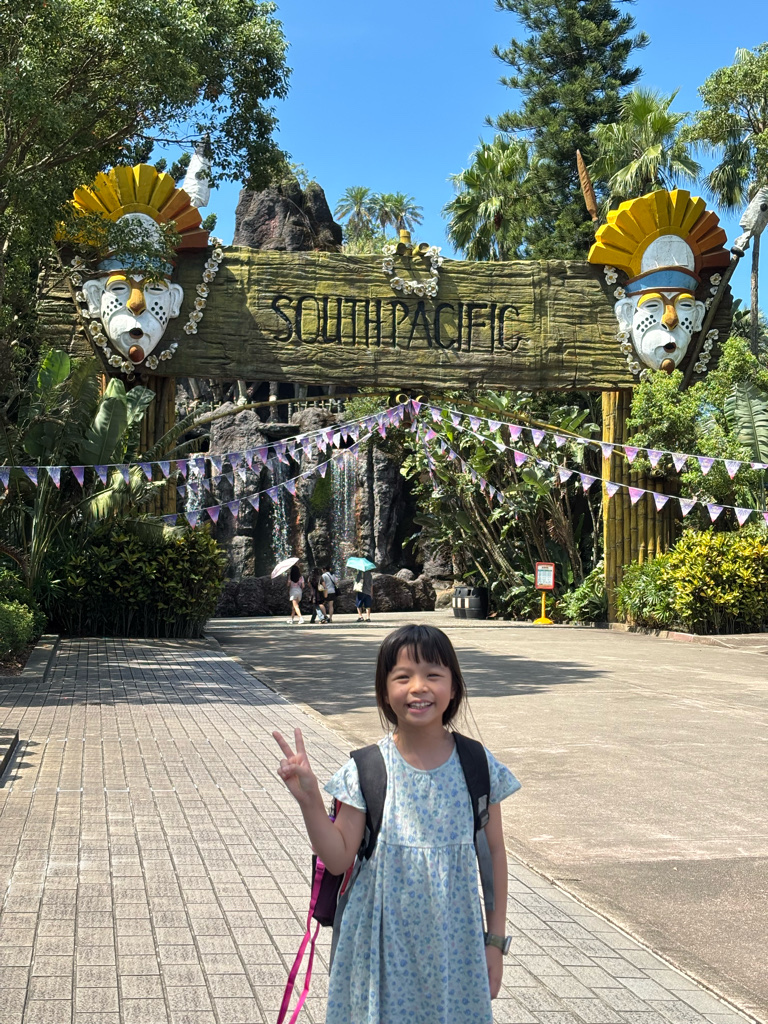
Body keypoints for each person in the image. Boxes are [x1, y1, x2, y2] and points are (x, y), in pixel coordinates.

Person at [272, 624, 520, 1023]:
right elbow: (337, 858)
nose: (418, 687)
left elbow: (494, 853)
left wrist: (494, 941)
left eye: (433, 674)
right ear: (384, 692)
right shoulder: (368, 768)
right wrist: (310, 801)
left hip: (453, 951)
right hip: (378, 952)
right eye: (402, 677)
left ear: (454, 688)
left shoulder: (477, 764)